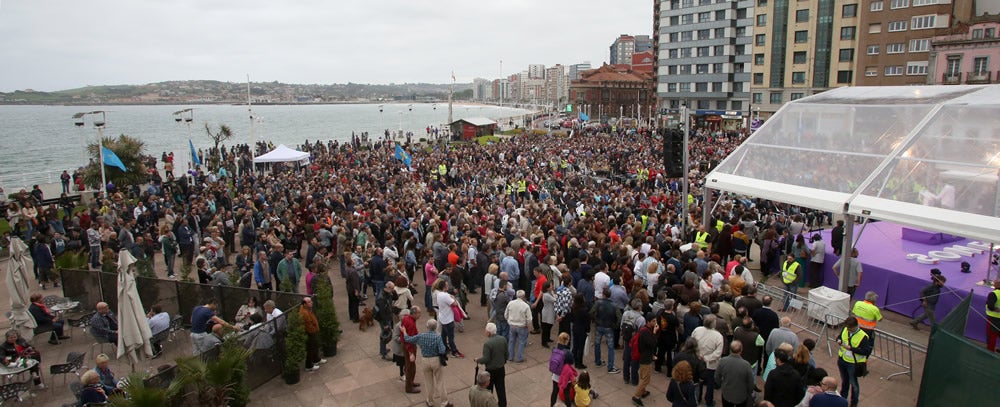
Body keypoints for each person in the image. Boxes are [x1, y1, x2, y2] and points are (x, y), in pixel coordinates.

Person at [404, 319, 451, 407]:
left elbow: (408, 339)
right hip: (436, 360)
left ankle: (430, 401)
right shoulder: (437, 337)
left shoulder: (421, 336)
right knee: (440, 381)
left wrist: (404, 332)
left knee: (428, 382)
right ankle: (444, 402)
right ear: (436, 327)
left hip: (425, 360)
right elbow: (442, 350)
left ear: (427, 326)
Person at [837, 316, 872, 407]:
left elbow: (866, 351)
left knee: (854, 384)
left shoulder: (863, 336)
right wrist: (839, 340)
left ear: (855, 326)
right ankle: (843, 398)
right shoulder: (845, 329)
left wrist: (852, 349)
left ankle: (854, 402)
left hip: (853, 364)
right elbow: (839, 337)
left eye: (850, 328)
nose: (848, 330)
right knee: (845, 381)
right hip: (842, 359)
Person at [692, 314, 724, 407]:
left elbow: (692, 343)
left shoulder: (697, 330)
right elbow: (718, 353)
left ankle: (698, 397)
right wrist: (706, 358)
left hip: (698, 360)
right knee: (710, 383)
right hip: (711, 364)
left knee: (698, 380)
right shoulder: (718, 336)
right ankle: (708, 401)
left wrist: (698, 355)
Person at [590, 287, 622, 374]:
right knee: (610, 347)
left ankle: (598, 361)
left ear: (603, 294)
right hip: (609, 327)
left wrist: (595, 320)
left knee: (597, 343)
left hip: (599, 325)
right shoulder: (614, 305)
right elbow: (619, 318)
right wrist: (615, 326)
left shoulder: (598, 303)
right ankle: (610, 367)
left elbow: (591, 312)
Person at [476, 322, 508, 407]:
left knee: (489, 391)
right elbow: (506, 354)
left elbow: (486, 358)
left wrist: (478, 360)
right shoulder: (503, 339)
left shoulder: (488, 344)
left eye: (486, 330)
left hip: (491, 370)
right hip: (501, 369)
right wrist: (503, 361)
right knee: (501, 390)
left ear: (489, 332)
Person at [715, 341, 755, 407]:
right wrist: (749, 392)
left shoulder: (722, 361)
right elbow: (751, 382)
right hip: (741, 396)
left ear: (730, 349)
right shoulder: (746, 365)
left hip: (727, 394)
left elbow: (717, 377)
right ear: (741, 350)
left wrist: (721, 385)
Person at [631, 312, 658, 407]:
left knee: (643, 375)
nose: (655, 323)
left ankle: (643, 391)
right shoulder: (646, 332)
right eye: (653, 321)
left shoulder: (645, 330)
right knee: (645, 379)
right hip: (645, 358)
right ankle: (637, 396)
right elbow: (652, 344)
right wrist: (655, 333)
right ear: (648, 322)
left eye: (655, 321)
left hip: (645, 356)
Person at [504, 289, 532, 363]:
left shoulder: (510, 303)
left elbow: (505, 314)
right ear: (523, 296)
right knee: (521, 342)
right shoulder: (526, 306)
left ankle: (510, 356)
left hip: (512, 325)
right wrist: (528, 325)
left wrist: (509, 321)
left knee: (511, 341)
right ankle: (519, 357)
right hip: (522, 326)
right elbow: (529, 319)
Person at [300, 297, 327, 371]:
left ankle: (316, 359)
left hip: (313, 332)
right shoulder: (304, 313)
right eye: (309, 302)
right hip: (310, 333)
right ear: (304, 304)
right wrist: (314, 330)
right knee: (310, 349)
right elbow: (309, 325)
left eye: (311, 301)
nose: (311, 303)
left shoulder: (307, 310)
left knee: (315, 346)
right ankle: (309, 366)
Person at [400, 307, 422, 394]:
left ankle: (411, 382)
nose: (420, 315)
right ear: (414, 314)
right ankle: (409, 387)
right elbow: (409, 340)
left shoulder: (406, 318)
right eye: (419, 313)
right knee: (410, 367)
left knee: (411, 366)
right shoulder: (411, 323)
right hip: (409, 346)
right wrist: (411, 353)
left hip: (405, 344)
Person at [987, 279, 1000, 352]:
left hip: (993, 318)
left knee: (992, 336)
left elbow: (990, 306)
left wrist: (997, 309)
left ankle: (990, 352)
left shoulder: (993, 294)